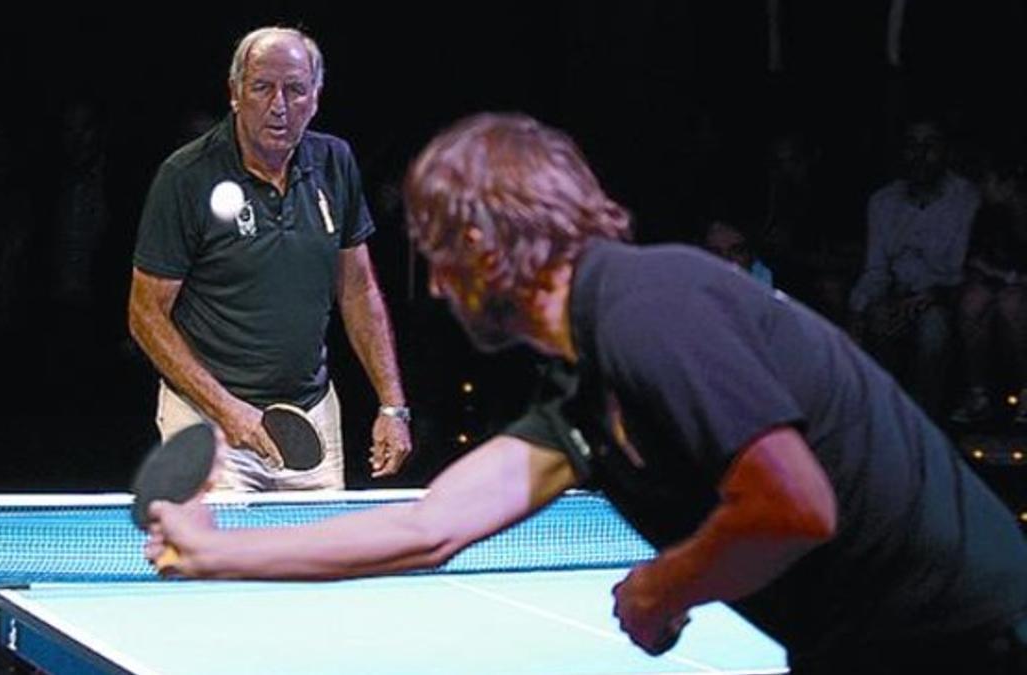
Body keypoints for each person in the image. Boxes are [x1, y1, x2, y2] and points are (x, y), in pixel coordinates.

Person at [145, 113, 1027, 674]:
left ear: (489, 245)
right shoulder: (584, 389)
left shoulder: (650, 301)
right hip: (871, 647)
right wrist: (220, 551)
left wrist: (665, 585)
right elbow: (426, 526)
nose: (439, 290)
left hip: (967, 638)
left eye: (440, 255)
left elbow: (793, 503)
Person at [129, 27, 412, 491]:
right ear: (235, 93)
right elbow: (145, 315)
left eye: (295, 89)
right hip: (209, 423)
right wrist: (225, 409)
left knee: (317, 562)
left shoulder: (335, 163)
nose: (279, 105)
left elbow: (358, 290)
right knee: (224, 564)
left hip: (311, 416)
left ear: (315, 97)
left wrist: (392, 406)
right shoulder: (185, 176)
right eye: (262, 87)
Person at [847, 117, 980, 419]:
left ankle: (924, 424)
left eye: (929, 145)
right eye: (912, 146)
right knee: (878, 321)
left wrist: (931, 296)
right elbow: (875, 268)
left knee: (933, 331)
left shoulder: (965, 198)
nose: (919, 154)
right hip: (897, 292)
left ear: (944, 150)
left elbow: (961, 270)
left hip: (944, 296)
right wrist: (860, 310)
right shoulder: (883, 201)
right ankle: (885, 422)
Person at [951, 148, 1027, 425]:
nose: (981, 188)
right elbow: (975, 260)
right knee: (972, 302)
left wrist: (1012, 280)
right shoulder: (987, 215)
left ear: (1007, 185)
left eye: (988, 181)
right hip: (998, 283)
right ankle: (977, 393)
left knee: (1012, 306)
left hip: (1018, 290)